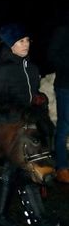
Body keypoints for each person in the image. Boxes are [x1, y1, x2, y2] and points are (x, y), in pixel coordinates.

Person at [0, 23, 60, 226]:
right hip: (11, 130)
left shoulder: (32, 67)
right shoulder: (3, 71)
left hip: (28, 129)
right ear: (10, 45)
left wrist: (39, 99)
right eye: (20, 41)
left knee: (17, 173)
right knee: (20, 172)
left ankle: (1, 215)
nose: (25, 44)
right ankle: (34, 219)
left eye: (27, 40)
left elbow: (32, 93)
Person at [47, 12, 69, 183]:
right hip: (65, 85)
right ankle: (61, 167)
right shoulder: (63, 30)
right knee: (65, 124)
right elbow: (53, 55)